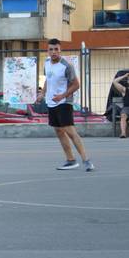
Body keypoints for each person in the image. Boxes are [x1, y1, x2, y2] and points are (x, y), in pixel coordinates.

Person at [36, 39, 94, 171]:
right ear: (48, 51)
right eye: (51, 49)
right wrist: (42, 94)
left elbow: (76, 84)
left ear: (60, 50)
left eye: (56, 49)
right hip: (51, 103)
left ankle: (87, 160)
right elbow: (47, 81)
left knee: (70, 132)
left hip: (63, 103)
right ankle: (70, 160)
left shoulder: (66, 66)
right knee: (59, 131)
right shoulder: (46, 63)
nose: (53, 52)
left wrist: (62, 96)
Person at [112, 72, 129, 139]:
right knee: (123, 115)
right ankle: (123, 133)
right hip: (127, 108)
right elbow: (115, 82)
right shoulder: (125, 90)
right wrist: (124, 76)